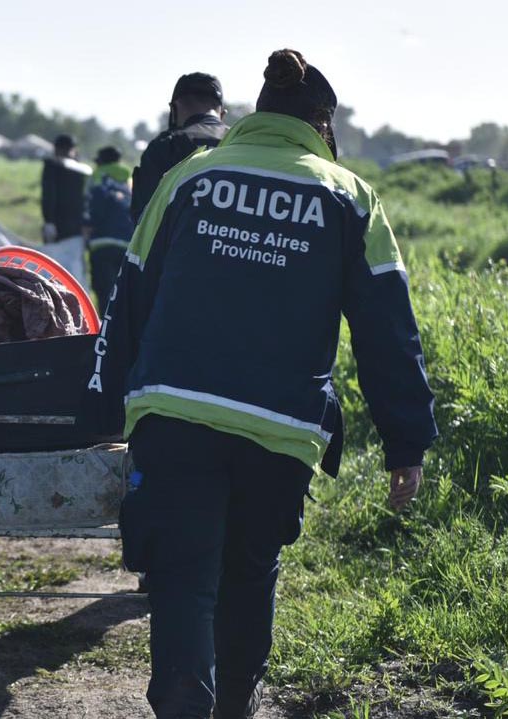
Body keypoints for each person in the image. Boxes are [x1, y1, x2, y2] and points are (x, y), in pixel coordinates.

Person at [86, 49, 437, 718]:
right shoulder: (348, 197)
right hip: (280, 425)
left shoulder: (191, 175)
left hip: (175, 413)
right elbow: (388, 327)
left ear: (259, 112)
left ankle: (186, 697)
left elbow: (129, 294)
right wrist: (406, 441)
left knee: (183, 574)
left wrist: (102, 406)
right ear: (322, 124)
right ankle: (237, 702)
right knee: (249, 571)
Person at [129, 72, 229, 221]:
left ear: (174, 109)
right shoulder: (244, 144)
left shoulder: (164, 147)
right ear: (222, 113)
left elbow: (143, 217)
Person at [83, 146, 136, 304]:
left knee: (103, 291)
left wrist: (86, 231)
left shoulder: (97, 176)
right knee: (122, 294)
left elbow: (90, 207)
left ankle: (104, 327)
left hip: (102, 242)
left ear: (100, 162)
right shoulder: (129, 178)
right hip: (128, 242)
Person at [41, 133, 91, 243]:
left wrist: (49, 220)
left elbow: (48, 194)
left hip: (58, 222)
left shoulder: (52, 166)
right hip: (76, 223)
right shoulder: (81, 169)